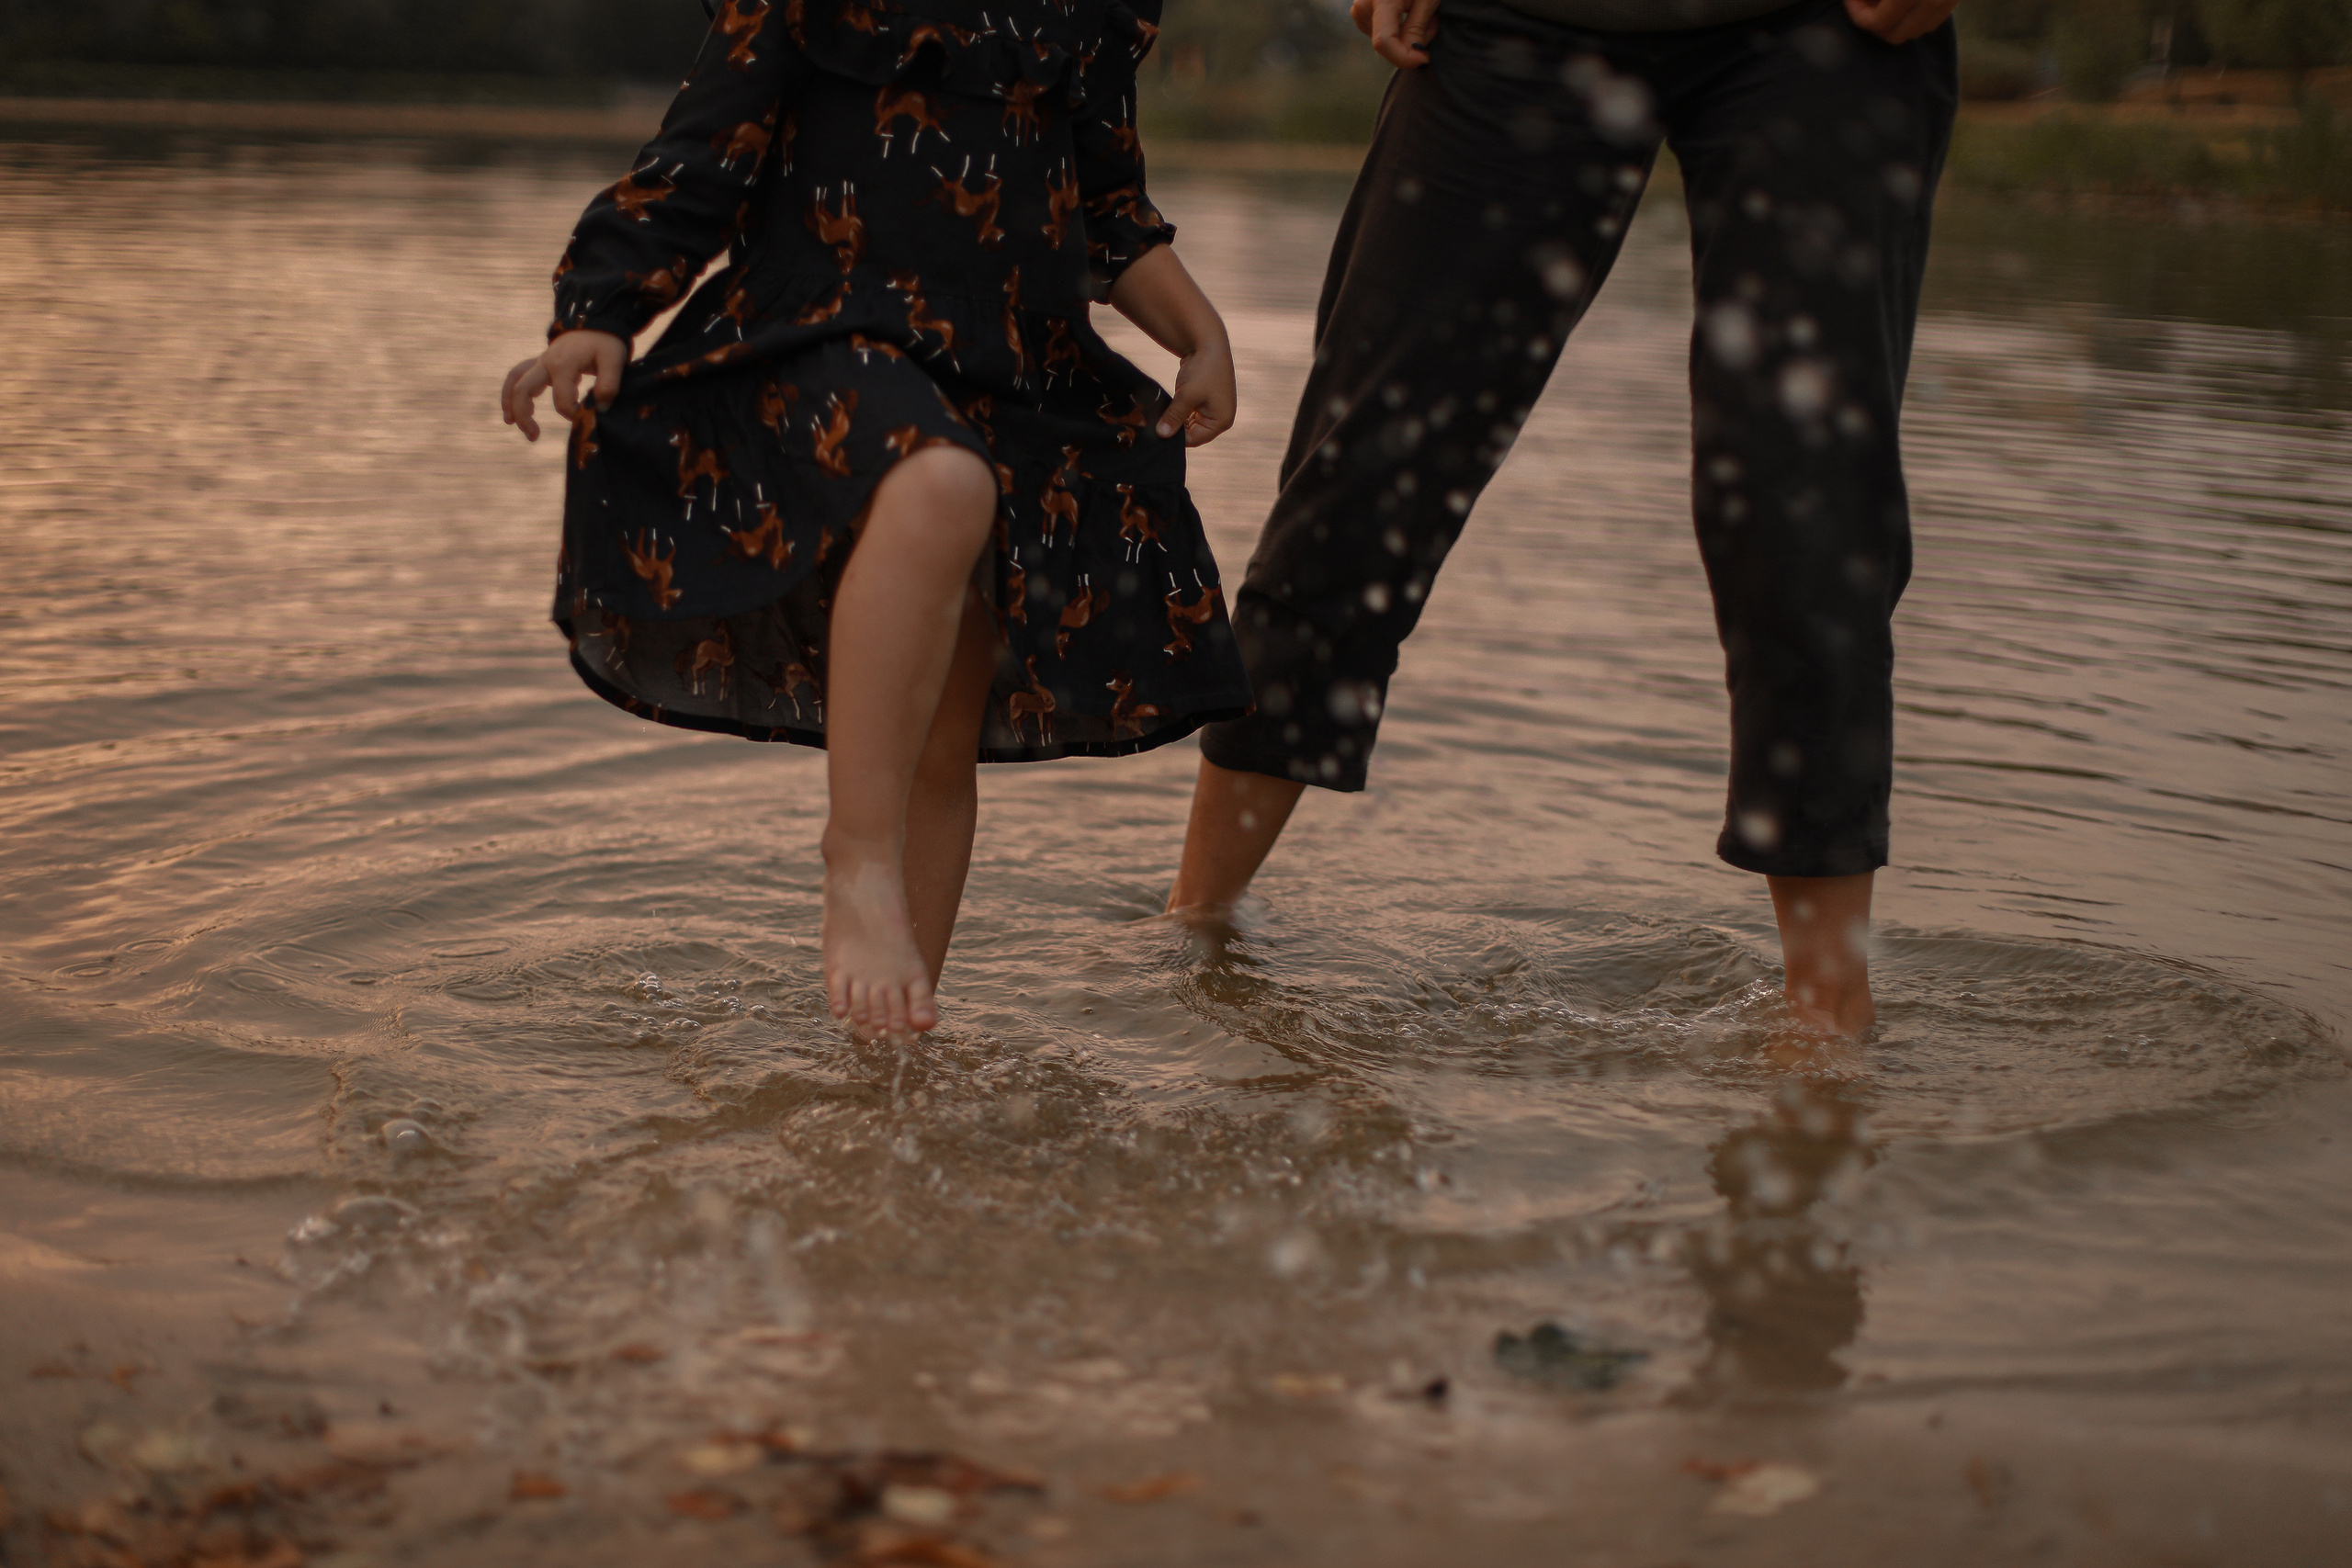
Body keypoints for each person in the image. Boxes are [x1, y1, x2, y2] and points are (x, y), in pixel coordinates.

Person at [1168, 0, 1961, 1037]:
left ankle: (1826, 1019)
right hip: (1520, 17)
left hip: (1827, 28)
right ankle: (1193, 936)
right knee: (1365, 477)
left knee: (1801, 517)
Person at [502, 0, 1251, 1045]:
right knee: (944, 485)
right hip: (824, 331)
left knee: (944, 733)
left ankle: (887, 1056)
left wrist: (1200, 333)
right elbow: (696, 165)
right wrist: (598, 312)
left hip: (1006, 375)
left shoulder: (1083, 12)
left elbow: (1109, 210)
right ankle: (855, 855)